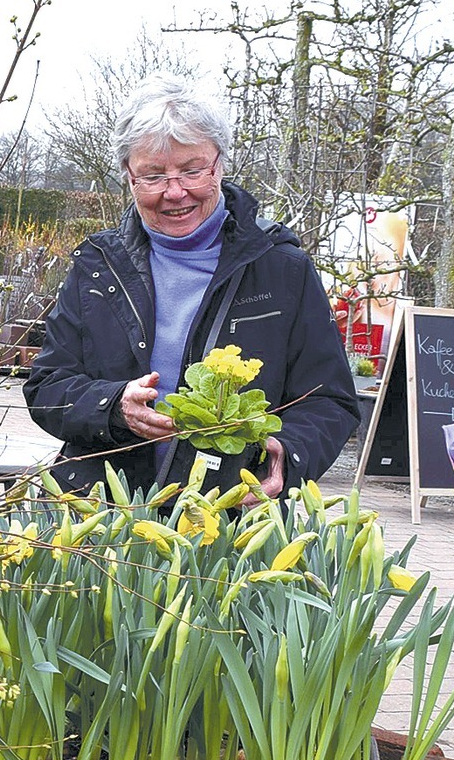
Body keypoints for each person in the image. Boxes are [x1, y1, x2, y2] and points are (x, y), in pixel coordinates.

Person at [24, 75, 357, 498]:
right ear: (128, 175)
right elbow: (47, 386)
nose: (175, 192)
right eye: (153, 175)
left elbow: (330, 401)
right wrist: (113, 405)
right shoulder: (98, 264)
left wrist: (287, 453)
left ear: (220, 163)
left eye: (192, 170)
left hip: (230, 514)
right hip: (101, 514)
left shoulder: (281, 267)